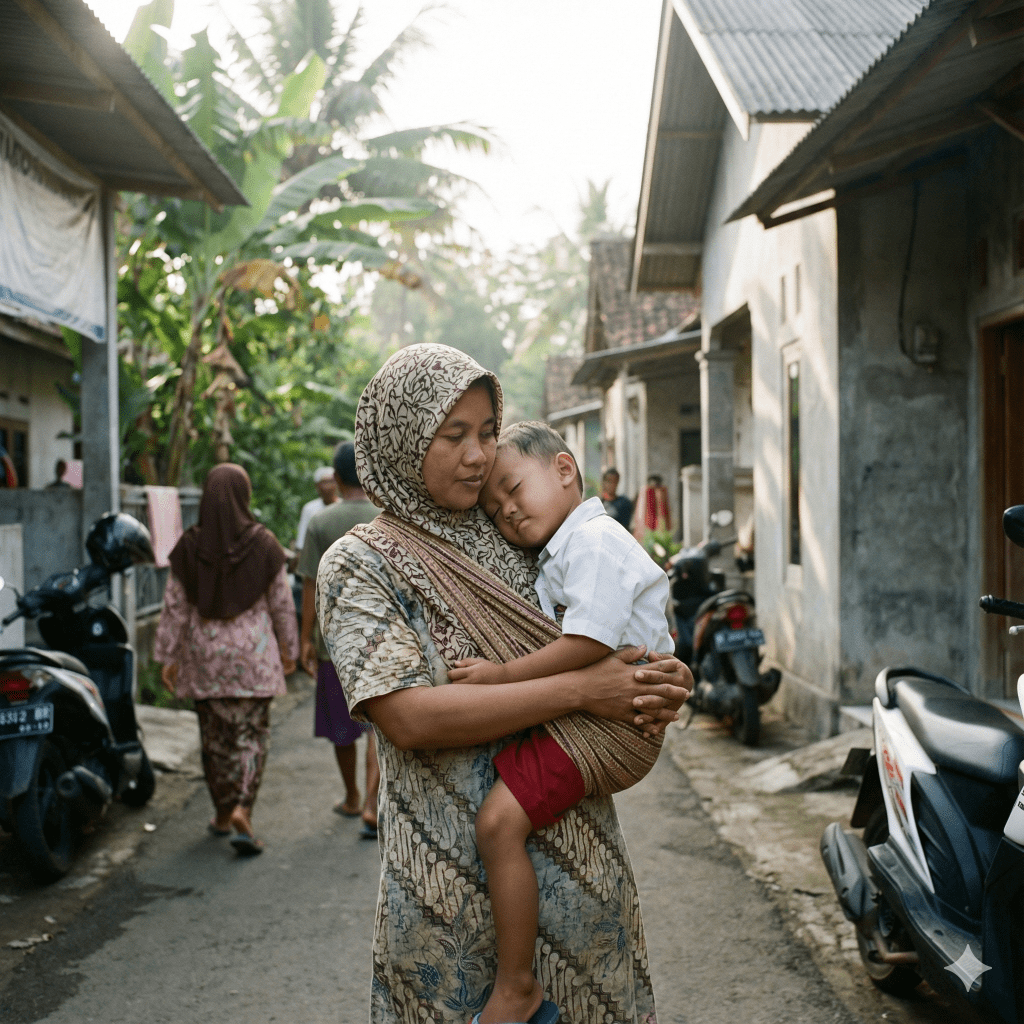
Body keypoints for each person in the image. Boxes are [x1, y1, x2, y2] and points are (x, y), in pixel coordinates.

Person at [315, 344, 691, 1024]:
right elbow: (410, 719)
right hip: (447, 901)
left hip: (584, 882)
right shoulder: (361, 565)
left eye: (488, 432)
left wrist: (661, 671)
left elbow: (606, 625)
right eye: (453, 435)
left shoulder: (518, 534)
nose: (478, 455)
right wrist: (584, 691)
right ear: (401, 439)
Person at [449, 421, 672, 1024]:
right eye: (493, 510)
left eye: (514, 489)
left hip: (617, 722)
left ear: (565, 469)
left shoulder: (593, 541)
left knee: (497, 825)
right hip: (603, 710)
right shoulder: (561, 549)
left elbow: (587, 642)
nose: (507, 511)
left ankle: (516, 987)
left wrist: (501, 677)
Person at [155, 463, 298, 856]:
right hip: (253, 656)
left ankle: (221, 813)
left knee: (214, 740)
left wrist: (167, 656)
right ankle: (242, 809)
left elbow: (174, 607)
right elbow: (282, 604)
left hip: (205, 657)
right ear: (244, 496)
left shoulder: (189, 545)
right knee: (252, 737)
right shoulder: (265, 544)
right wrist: (290, 649)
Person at [298, 441, 380, 837]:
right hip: (382, 641)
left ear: (336, 477)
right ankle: (372, 803)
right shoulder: (386, 517)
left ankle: (352, 796)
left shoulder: (320, 523)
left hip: (334, 644)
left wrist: (305, 639)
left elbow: (309, 586)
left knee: (342, 726)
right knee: (379, 727)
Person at [296, 466, 338, 553]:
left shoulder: (343, 506)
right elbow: (302, 540)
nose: (328, 487)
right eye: (324, 483)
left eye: (331, 482)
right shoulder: (309, 509)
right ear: (317, 486)